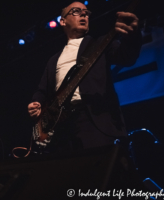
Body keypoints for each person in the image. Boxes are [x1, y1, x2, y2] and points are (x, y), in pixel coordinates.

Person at [28, 1, 142, 153]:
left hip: (93, 120)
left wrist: (132, 36)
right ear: (62, 21)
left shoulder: (100, 44)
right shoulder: (53, 60)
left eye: (86, 12)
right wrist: (36, 103)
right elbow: (42, 90)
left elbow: (126, 56)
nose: (83, 14)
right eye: (76, 11)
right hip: (61, 130)